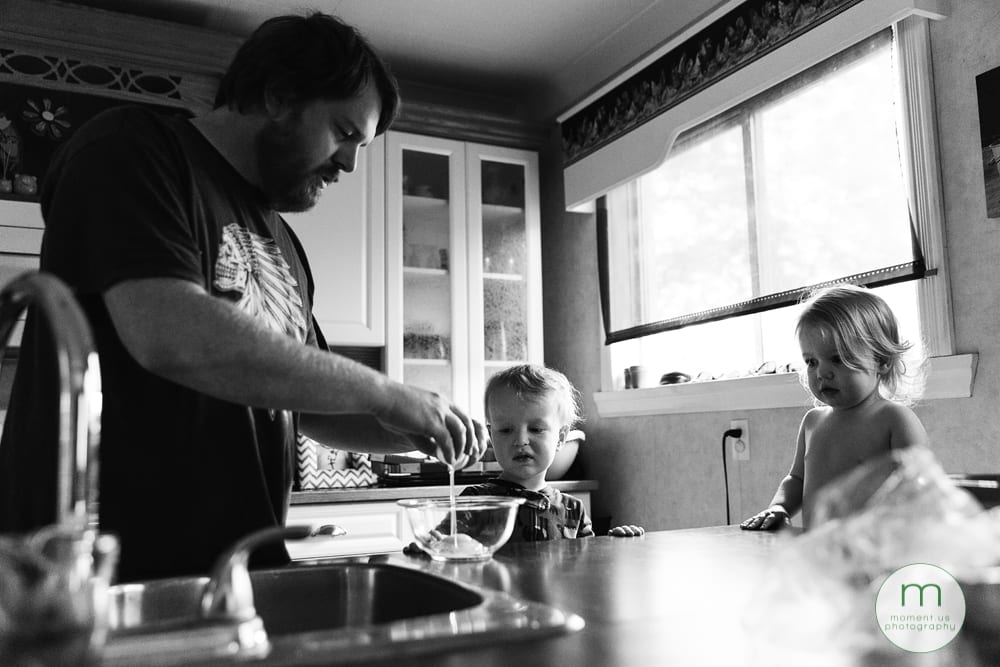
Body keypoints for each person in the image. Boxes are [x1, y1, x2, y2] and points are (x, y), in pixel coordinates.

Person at [0, 13, 487, 582]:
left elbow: (305, 405)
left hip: (237, 569)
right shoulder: (133, 149)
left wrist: (408, 428)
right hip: (104, 570)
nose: (351, 163)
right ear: (279, 96)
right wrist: (388, 392)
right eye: (344, 132)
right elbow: (170, 335)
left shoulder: (284, 243)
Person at [740, 284, 928, 531]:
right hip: (819, 554)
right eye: (811, 361)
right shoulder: (812, 421)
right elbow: (796, 479)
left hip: (873, 556)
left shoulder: (894, 419)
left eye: (838, 359)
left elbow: (923, 490)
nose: (822, 372)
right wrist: (779, 507)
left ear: (881, 361)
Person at [405, 364, 642, 555]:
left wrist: (615, 542)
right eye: (506, 430)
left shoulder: (573, 509)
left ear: (560, 437)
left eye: (536, 429)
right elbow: (443, 543)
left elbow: (588, 560)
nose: (520, 440)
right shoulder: (477, 501)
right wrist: (427, 546)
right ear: (491, 435)